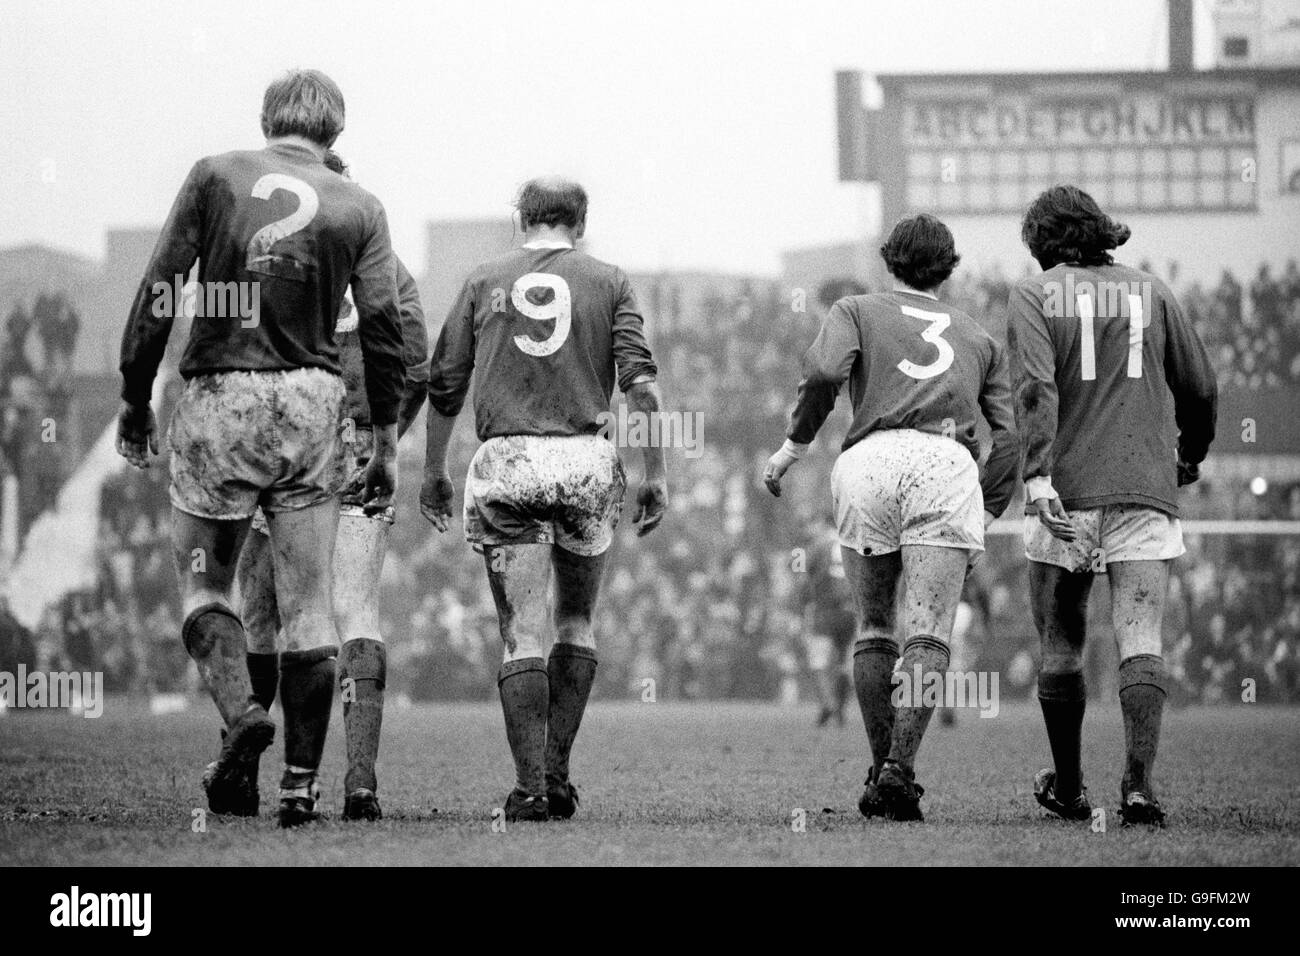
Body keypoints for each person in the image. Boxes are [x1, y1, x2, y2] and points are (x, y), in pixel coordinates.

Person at [116, 69, 406, 827]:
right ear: (334, 132)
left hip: (222, 396)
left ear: (267, 117)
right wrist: (384, 439)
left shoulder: (215, 173)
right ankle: (300, 786)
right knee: (312, 610)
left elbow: (159, 286)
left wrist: (133, 391)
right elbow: (382, 328)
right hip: (312, 404)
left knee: (207, 589)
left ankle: (243, 713)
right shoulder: (360, 205)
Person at [420, 176, 667, 822]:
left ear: (520, 219)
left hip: (508, 461)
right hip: (586, 461)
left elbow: (443, 386)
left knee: (520, 633)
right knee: (575, 622)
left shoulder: (482, 279)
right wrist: (656, 472)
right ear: (578, 224)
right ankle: (557, 774)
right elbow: (642, 390)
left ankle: (529, 788)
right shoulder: (610, 280)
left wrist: (433, 469)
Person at [764, 213, 1018, 821]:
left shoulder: (855, 309)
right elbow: (1009, 435)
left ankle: (882, 771)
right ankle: (901, 770)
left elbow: (825, 372)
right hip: (944, 461)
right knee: (929, 630)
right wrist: (986, 505)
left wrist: (794, 446)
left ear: (889, 262)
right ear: (949, 269)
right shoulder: (981, 338)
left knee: (875, 625)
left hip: (868, 459)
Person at [1009, 185, 1217, 827]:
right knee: (1141, 636)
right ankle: (1138, 787)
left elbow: (1036, 390)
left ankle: (1070, 787)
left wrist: (1038, 478)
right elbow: (1202, 386)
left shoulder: (1034, 295)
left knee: (1062, 640)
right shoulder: (1152, 291)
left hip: (1065, 493)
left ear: (1044, 241)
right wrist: (1191, 454)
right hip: (1141, 487)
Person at [234, 150, 427, 822]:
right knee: (356, 609)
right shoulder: (387, 266)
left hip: (278, 442)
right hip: (352, 444)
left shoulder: (266, 257)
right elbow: (418, 369)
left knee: (268, 610)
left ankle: (260, 778)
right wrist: (383, 442)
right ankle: (360, 784)